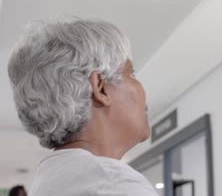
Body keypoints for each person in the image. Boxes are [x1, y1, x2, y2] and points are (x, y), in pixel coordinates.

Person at [7, 18, 159, 195]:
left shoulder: (50, 181)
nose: (141, 87)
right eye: (131, 74)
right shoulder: (114, 184)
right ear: (100, 87)